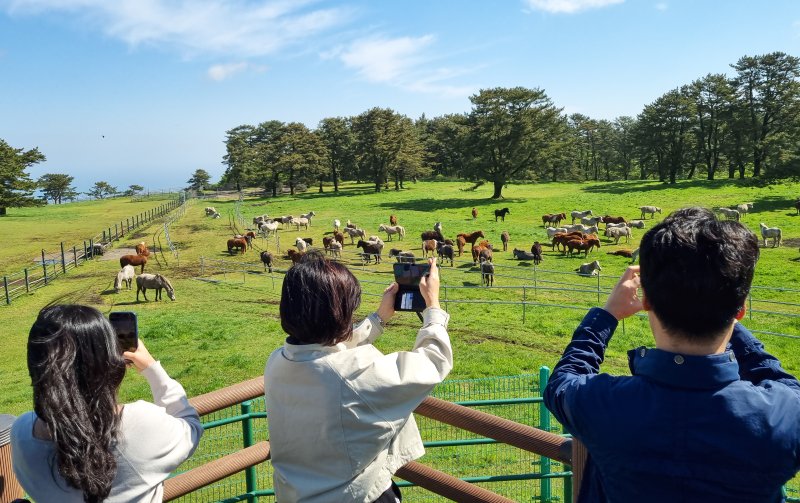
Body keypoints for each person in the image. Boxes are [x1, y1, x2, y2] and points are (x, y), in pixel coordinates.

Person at [544, 207, 800, 502]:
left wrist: (606, 315)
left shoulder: (601, 404)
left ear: (647, 302)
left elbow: (563, 380)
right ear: (740, 310)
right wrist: (723, 310)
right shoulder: (783, 415)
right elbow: (782, 383)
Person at [264, 251, 452, 503]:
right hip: (357, 495)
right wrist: (433, 307)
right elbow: (433, 361)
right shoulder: (354, 373)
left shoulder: (278, 361)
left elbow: (324, 351)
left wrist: (378, 319)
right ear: (339, 312)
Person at [11, 305, 203, 502]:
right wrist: (151, 368)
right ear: (108, 364)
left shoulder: (21, 434)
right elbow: (191, 426)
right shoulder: (142, 426)